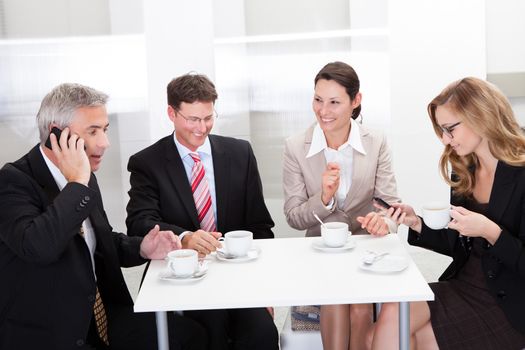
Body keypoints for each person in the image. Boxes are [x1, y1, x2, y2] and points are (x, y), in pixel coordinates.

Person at [0, 83, 207, 350]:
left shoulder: (85, 178)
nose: (104, 143)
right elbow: (39, 246)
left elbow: (99, 240)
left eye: (105, 130)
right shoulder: (13, 182)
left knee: (191, 335)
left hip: (102, 317)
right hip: (51, 330)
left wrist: (143, 248)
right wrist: (77, 184)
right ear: (56, 134)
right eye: (93, 131)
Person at [125, 73, 278, 350]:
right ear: (171, 113)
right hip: (183, 281)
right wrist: (184, 238)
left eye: (208, 118)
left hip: (237, 278)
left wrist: (263, 289)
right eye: (193, 119)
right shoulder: (147, 163)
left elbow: (261, 227)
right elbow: (139, 223)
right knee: (209, 335)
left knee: (263, 335)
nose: (202, 127)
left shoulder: (240, 153)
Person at [371, 77, 525, 349]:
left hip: (508, 304)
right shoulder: (465, 167)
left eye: (450, 129)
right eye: (441, 131)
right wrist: (415, 222)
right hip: (465, 284)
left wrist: (491, 232)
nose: (444, 139)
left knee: (400, 337)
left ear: (480, 115)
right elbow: (462, 243)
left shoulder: (521, 173)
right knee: (393, 313)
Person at [282, 61, 400, 350]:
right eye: (318, 100)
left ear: (355, 101)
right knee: (336, 298)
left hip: (367, 250)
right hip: (322, 252)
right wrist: (323, 197)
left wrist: (383, 222)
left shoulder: (376, 141)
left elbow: (392, 208)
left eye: (335, 102)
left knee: (359, 307)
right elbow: (294, 218)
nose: (324, 111)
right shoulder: (296, 146)